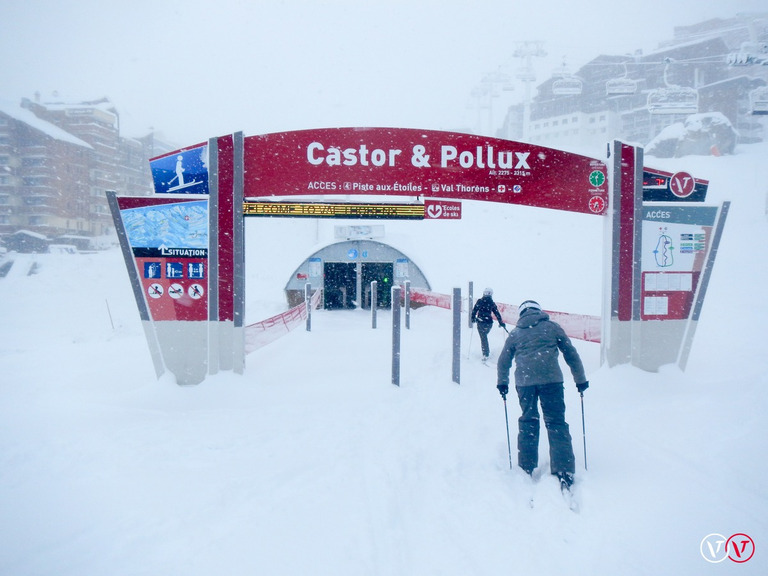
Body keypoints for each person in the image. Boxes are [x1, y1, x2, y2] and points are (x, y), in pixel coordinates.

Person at [496, 299, 589, 492]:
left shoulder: (515, 333)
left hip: (525, 383)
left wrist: (502, 383)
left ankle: (526, 466)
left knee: (529, 420)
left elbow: (504, 361)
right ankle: (563, 469)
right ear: (539, 311)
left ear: (522, 314)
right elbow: (570, 353)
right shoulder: (552, 327)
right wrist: (580, 380)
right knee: (556, 422)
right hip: (551, 381)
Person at [471, 288, 505, 361]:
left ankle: (485, 354)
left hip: (480, 322)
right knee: (484, 336)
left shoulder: (480, 301)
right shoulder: (492, 303)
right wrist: (500, 322)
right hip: (489, 323)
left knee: (483, 337)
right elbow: (497, 313)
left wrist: (473, 318)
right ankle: (486, 352)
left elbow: (474, 310)